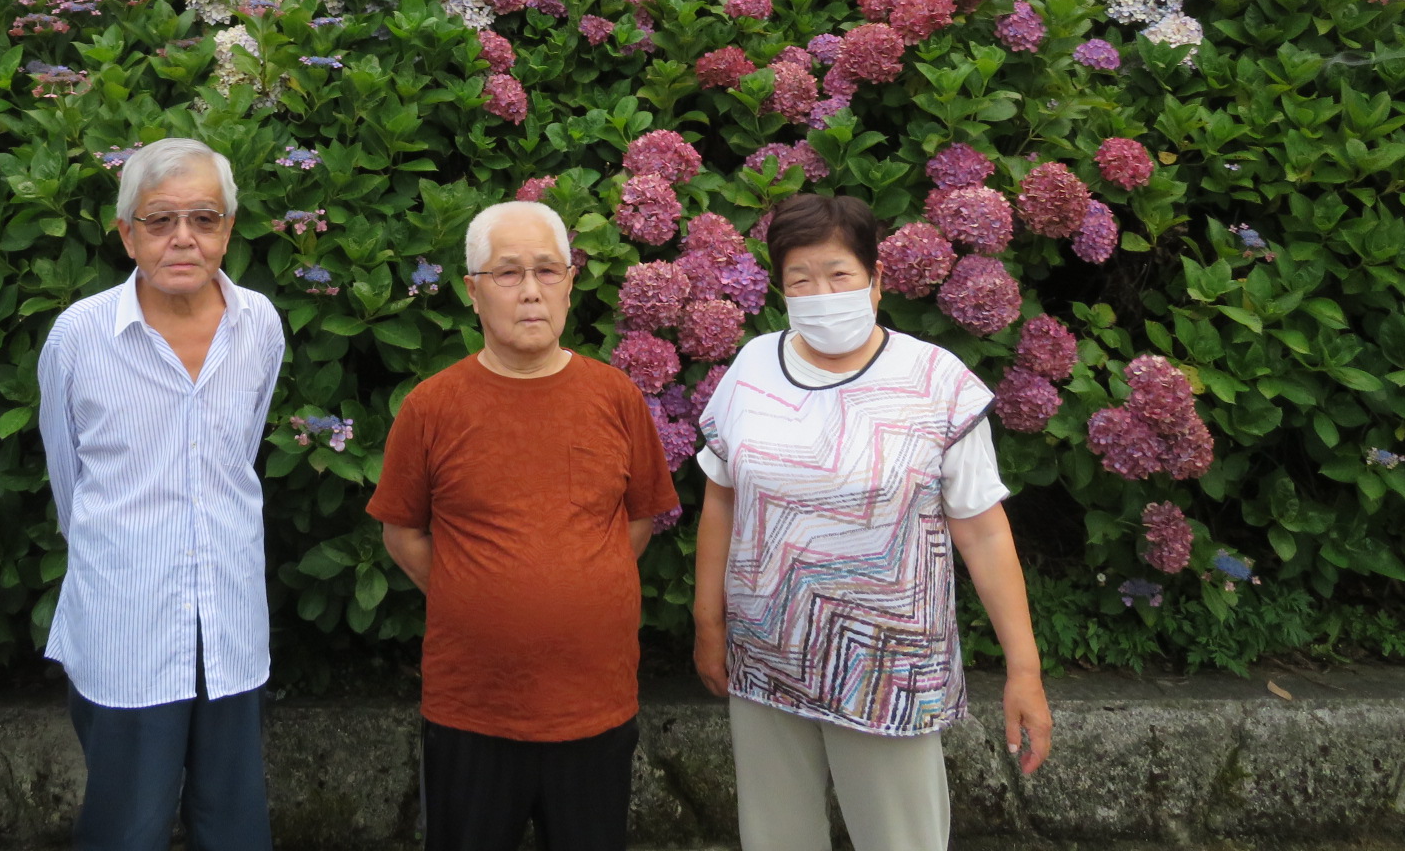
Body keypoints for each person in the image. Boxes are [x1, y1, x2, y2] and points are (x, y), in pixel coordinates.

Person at [692, 192, 1052, 851]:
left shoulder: (936, 381)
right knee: (774, 838)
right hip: (766, 658)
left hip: (889, 672)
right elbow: (722, 500)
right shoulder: (750, 369)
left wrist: (1023, 669)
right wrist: (708, 623)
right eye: (801, 279)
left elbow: (982, 530)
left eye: (839, 274)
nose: (821, 293)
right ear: (780, 288)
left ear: (876, 279)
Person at [370, 200, 680, 851]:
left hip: (594, 707)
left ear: (570, 283)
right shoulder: (431, 406)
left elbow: (639, 519)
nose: (531, 290)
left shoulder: (616, 397)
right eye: (509, 273)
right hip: (473, 711)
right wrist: (474, 592)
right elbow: (402, 535)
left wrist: (576, 583)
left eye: (547, 270)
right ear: (472, 291)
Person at [38, 137, 286, 851]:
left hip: (230, 622)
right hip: (126, 626)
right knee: (126, 828)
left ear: (228, 230)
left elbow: (240, 452)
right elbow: (68, 480)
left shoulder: (260, 324)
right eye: (160, 220)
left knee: (233, 827)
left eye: (204, 219)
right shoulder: (79, 336)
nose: (184, 238)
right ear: (127, 234)